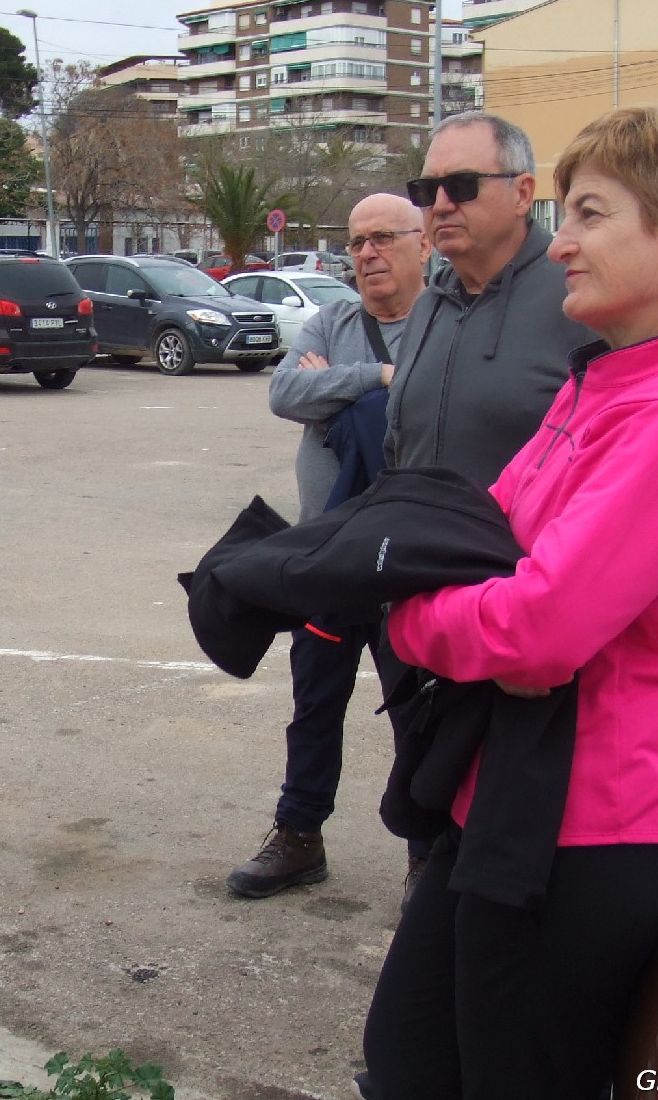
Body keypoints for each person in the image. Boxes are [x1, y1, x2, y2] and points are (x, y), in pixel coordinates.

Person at [361, 98, 658, 1100]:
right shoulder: (605, 379)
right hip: (507, 788)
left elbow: (538, 627)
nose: (560, 246)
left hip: (592, 822)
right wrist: (428, 582)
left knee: (509, 1074)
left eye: (589, 214)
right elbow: (480, 532)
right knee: (408, 1057)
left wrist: (402, 615)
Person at [377, 112, 597, 900]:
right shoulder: (431, 303)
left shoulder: (576, 300)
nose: (439, 204)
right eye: (427, 188)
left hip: (518, 624)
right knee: (423, 778)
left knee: (504, 836)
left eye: (462, 186)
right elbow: (401, 444)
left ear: (522, 193)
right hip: (420, 604)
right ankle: (425, 880)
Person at [226, 194, 430, 897]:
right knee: (314, 702)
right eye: (356, 241)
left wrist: (335, 387)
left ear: (424, 243)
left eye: (383, 238)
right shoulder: (333, 320)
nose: (367, 253)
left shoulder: (443, 324)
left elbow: (432, 406)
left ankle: (425, 856)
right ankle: (298, 836)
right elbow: (285, 393)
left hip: (407, 561)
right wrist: (374, 378)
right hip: (328, 556)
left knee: (417, 711)